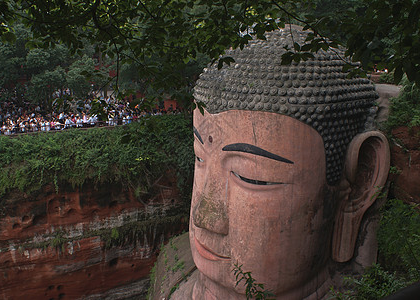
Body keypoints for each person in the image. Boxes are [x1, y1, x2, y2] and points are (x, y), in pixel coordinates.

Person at [151, 26, 390, 300]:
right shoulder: (170, 270)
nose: (204, 218)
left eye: (251, 177)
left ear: (359, 185)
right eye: (199, 157)